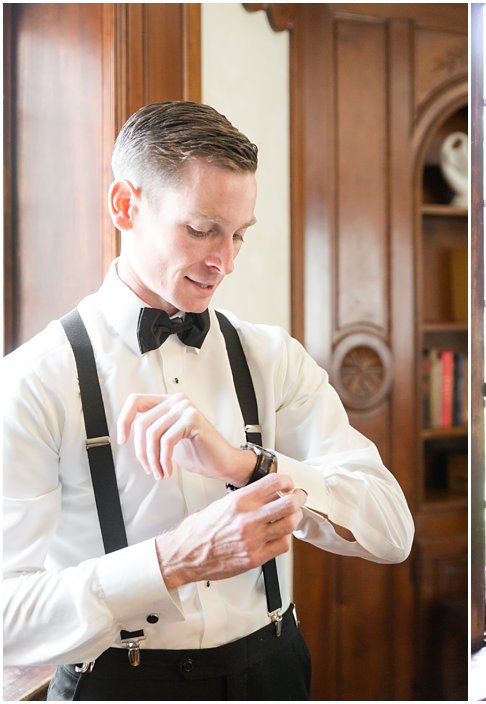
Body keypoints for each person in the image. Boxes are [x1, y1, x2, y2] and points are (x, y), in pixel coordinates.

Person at [2, 101, 414, 700]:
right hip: (119, 686)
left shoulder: (273, 357)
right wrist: (172, 560)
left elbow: (391, 529)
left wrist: (249, 466)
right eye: (200, 230)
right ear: (126, 205)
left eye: (239, 235)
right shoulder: (34, 380)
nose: (223, 261)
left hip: (275, 673)